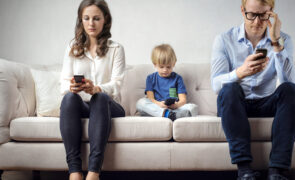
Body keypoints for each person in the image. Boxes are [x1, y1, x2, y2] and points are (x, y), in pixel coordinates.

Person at [210, 0, 295, 179]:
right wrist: (240, 72)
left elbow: (290, 82)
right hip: (236, 105)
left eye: (263, 15)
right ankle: (244, 171)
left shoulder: (284, 39)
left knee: (291, 90)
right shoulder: (223, 40)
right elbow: (216, 85)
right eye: (251, 15)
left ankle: (277, 171)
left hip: (266, 103)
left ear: (271, 13)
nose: (257, 22)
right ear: (242, 11)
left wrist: (276, 43)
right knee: (229, 89)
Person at [59, 0, 125, 180]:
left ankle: (94, 172)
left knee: (100, 98)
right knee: (69, 99)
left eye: (96, 18)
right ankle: (74, 172)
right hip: (83, 106)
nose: (91, 23)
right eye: (86, 18)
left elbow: (116, 84)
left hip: (110, 106)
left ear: (105, 20)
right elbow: (63, 84)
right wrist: (72, 87)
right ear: (81, 20)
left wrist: (96, 89)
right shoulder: (72, 48)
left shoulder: (116, 49)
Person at [136, 44, 198, 120]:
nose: (165, 70)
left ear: (173, 64)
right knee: (140, 103)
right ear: (155, 64)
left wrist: (175, 105)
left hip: (174, 108)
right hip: (157, 107)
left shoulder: (177, 78)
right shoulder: (150, 78)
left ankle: (171, 114)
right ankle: (168, 114)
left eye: (168, 67)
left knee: (193, 107)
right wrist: (159, 104)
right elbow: (150, 98)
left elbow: (183, 100)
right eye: (161, 67)